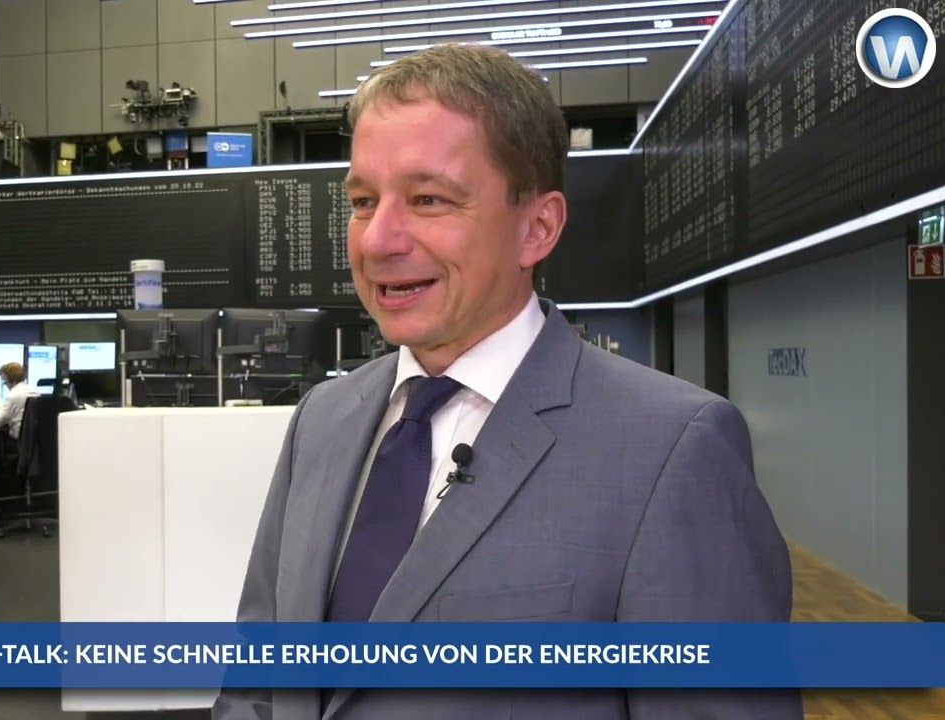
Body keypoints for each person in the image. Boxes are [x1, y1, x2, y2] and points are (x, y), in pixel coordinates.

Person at [212, 44, 800, 720]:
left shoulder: (673, 450)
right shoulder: (322, 418)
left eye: (428, 199)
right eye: (364, 201)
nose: (376, 240)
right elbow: (255, 684)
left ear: (537, 228)